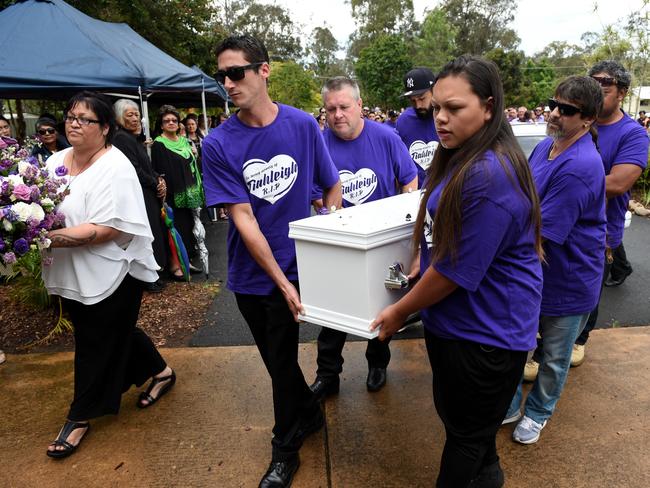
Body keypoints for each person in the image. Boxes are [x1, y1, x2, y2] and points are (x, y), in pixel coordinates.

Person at [370, 56, 543, 488]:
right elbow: (440, 240)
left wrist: (398, 312)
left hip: (486, 336)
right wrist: (418, 261)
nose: (441, 118)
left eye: (455, 108)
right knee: (474, 439)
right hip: (460, 325)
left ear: (488, 107)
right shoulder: (462, 156)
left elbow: (453, 273)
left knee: (465, 442)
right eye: (438, 108)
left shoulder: (487, 173)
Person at [201, 35, 342, 488]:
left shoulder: (303, 125)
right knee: (276, 362)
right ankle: (308, 413)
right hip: (252, 276)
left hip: (301, 267)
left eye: (236, 72)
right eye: (221, 75)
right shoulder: (218, 143)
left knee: (280, 362)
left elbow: (330, 185)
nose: (228, 82)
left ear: (264, 70)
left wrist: (331, 233)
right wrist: (280, 282)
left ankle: (285, 450)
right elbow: (242, 218)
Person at [42, 91, 175, 459]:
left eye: (85, 119)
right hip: (75, 269)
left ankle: (79, 416)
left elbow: (107, 229)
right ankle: (161, 372)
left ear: (105, 129)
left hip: (116, 269)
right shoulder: (54, 161)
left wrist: (45, 238)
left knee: (94, 342)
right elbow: (38, 204)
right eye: (70, 116)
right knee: (115, 333)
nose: (73, 123)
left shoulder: (115, 167)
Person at [503, 77, 606, 446]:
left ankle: (538, 413)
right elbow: (522, 196)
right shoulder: (546, 148)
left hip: (569, 277)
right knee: (516, 344)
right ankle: (512, 404)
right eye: (554, 103)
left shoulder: (581, 165)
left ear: (589, 119)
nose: (555, 113)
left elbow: (540, 231)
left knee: (554, 356)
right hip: (536, 271)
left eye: (567, 109)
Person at [310, 77, 417, 400]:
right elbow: (317, 195)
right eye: (331, 109)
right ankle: (328, 374)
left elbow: (409, 182)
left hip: (381, 241)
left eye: (344, 106)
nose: (338, 114)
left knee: (379, 308)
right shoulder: (319, 143)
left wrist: (400, 224)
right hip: (339, 242)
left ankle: (377, 364)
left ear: (359, 105)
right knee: (331, 313)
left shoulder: (386, 137)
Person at [570, 61, 649, 363]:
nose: (595, 94)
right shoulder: (578, 122)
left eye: (604, 89)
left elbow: (617, 183)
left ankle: (579, 339)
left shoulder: (633, 134)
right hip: (560, 223)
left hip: (600, 231)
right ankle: (550, 339)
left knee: (587, 289)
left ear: (622, 93)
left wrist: (564, 185)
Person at [112, 99, 168, 292]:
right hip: (140, 194)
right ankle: (148, 277)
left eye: (137, 114)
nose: (135, 118)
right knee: (146, 235)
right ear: (119, 118)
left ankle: (155, 272)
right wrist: (155, 183)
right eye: (130, 115)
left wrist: (159, 180)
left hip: (148, 192)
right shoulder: (121, 138)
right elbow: (134, 170)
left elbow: (146, 166)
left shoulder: (131, 138)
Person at [151, 105, 203, 280]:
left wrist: (194, 154)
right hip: (172, 195)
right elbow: (158, 171)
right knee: (174, 229)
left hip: (189, 193)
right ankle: (175, 264)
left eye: (174, 120)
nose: (171, 123)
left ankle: (185, 261)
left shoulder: (183, 141)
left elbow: (190, 164)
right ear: (161, 124)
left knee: (187, 227)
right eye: (167, 121)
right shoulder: (159, 143)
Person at [396, 67, 440, 188]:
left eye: (422, 98)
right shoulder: (403, 121)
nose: (418, 105)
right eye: (412, 100)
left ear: (434, 90)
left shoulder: (446, 117)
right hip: (416, 195)